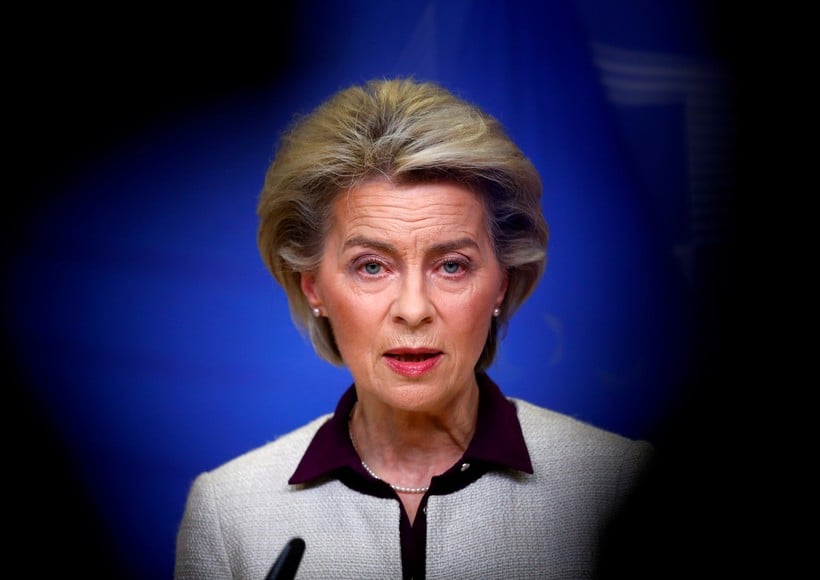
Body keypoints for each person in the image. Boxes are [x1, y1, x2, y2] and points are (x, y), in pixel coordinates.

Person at [174, 77, 654, 579]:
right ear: (314, 288)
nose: (413, 309)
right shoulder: (230, 514)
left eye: (451, 265)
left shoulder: (617, 484)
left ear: (500, 284)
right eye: (371, 266)